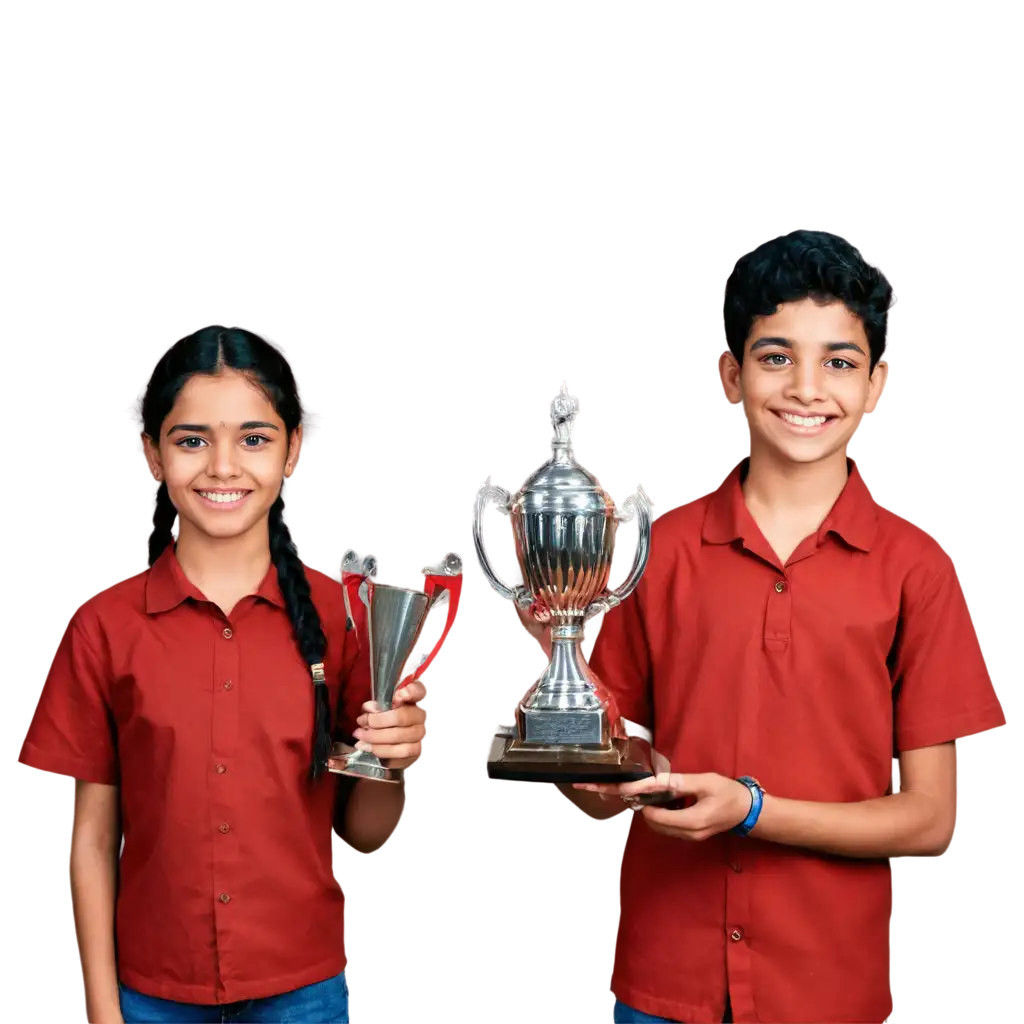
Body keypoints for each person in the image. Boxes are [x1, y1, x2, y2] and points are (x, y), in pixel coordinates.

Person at [569, 229, 1000, 1024]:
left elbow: (929, 817)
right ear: (728, 377)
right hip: (667, 982)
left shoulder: (913, 569)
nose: (807, 387)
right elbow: (606, 768)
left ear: (876, 384)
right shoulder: (653, 549)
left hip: (826, 991)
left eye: (839, 361)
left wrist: (752, 809)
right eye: (775, 358)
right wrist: (601, 782)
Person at [20, 327, 426, 1024]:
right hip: (150, 995)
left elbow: (367, 831)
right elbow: (92, 839)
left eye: (254, 438)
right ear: (154, 456)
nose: (223, 467)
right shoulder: (107, 626)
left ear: (293, 449)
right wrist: (100, 1009)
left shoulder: (345, 618)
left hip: (302, 991)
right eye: (192, 440)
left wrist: (393, 757)